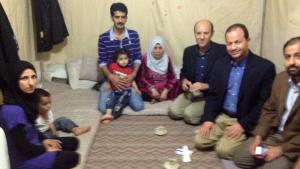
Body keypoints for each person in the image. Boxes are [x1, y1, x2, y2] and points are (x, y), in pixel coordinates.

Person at [193, 23, 276, 160]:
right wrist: (208, 119)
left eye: (237, 42)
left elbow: (263, 103)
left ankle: (231, 140)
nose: (233, 47)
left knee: (223, 151)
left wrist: (243, 125)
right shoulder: (220, 64)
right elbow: (213, 95)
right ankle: (224, 137)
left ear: (247, 41)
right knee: (199, 141)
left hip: (244, 118)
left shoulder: (265, 68)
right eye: (229, 43)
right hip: (223, 116)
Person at [233, 36, 300, 169]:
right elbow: (269, 110)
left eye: (298, 56)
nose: (291, 62)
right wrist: (258, 136)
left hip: (295, 142)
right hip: (276, 134)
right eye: (287, 57)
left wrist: (281, 150)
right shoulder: (281, 79)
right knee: (240, 156)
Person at [0, 60, 79, 169]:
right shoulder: (13, 110)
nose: (31, 83)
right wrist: (44, 148)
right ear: (14, 81)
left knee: (72, 142)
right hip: (25, 160)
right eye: (24, 78)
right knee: (72, 157)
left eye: (33, 77)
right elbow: (23, 147)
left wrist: (44, 140)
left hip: (34, 144)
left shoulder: (25, 100)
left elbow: (31, 128)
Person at [168, 20, 227, 124]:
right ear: (194, 34)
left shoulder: (222, 51)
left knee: (189, 116)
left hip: (209, 94)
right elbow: (183, 72)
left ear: (212, 33)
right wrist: (184, 80)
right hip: (191, 92)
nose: (202, 37)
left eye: (206, 33)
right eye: (198, 33)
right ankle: (195, 107)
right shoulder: (188, 51)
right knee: (173, 112)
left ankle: (213, 112)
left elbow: (225, 79)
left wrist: (206, 85)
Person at [98, 2, 144, 114]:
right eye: (117, 17)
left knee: (139, 107)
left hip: (129, 79)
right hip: (111, 79)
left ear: (126, 18)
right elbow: (102, 62)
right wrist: (110, 77)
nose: (120, 20)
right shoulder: (103, 38)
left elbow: (138, 58)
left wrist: (133, 75)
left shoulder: (133, 35)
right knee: (103, 109)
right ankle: (118, 95)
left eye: (123, 17)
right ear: (112, 18)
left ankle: (121, 97)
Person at [100, 48, 141, 124]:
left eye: (126, 58)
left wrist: (137, 89)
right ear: (116, 60)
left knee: (120, 103)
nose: (124, 61)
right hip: (115, 90)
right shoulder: (113, 66)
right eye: (121, 59)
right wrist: (109, 83)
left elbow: (133, 81)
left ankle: (113, 116)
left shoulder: (129, 70)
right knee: (110, 99)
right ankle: (108, 114)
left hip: (125, 91)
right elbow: (110, 77)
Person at [136, 36, 180, 103]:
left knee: (179, 84)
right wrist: (152, 89)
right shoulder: (145, 58)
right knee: (139, 91)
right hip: (148, 87)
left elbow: (172, 77)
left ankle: (159, 97)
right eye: (155, 48)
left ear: (163, 48)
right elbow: (141, 77)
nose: (158, 51)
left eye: (160, 48)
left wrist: (165, 91)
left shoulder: (167, 59)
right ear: (151, 48)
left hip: (164, 87)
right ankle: (153, 98)